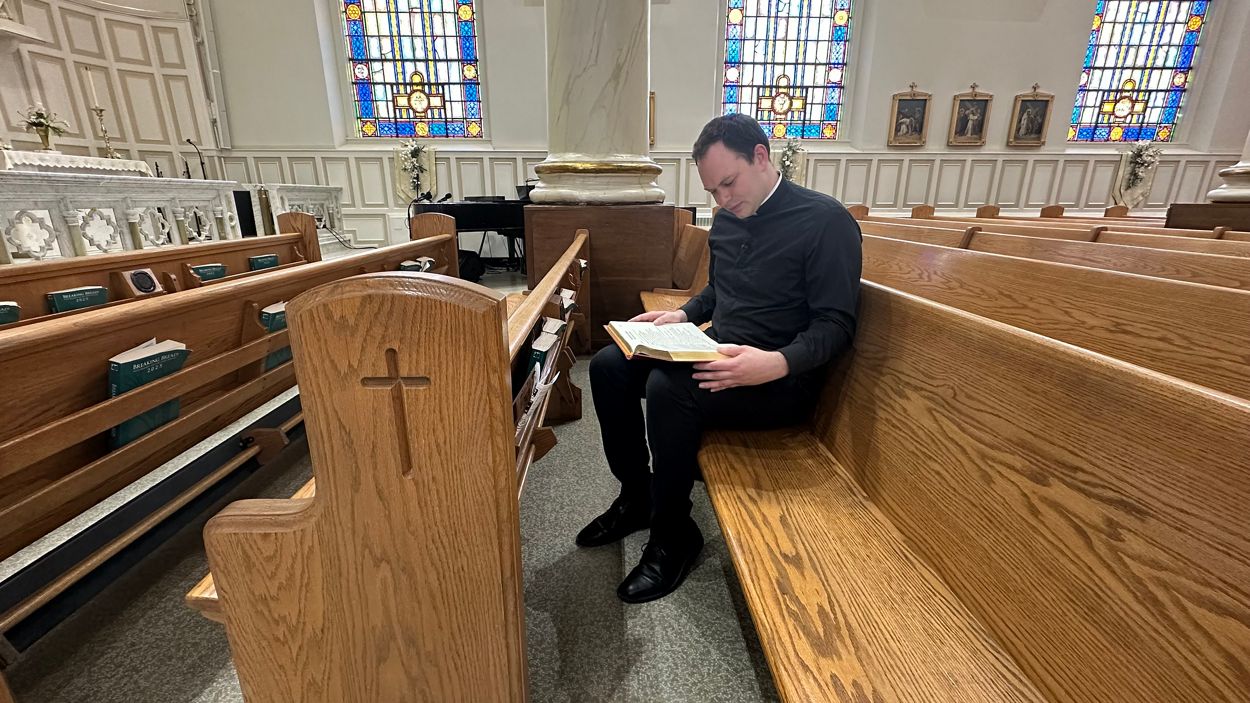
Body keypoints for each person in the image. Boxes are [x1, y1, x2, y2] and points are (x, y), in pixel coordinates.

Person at [579, 113, 862, 603]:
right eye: (713, 191)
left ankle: (674, 535)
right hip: (717, 352)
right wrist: (683, 314)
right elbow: (718, 290)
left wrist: (774, 363)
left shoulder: (825, 222)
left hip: (779, 380)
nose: (723, 200)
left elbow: (836, 325)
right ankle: (637, 496)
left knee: (670, 390)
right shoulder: (729, 219)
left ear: (760, 156)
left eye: (728, 183)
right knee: (608, 366)